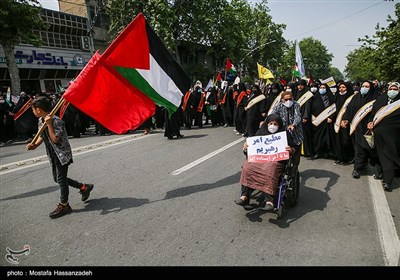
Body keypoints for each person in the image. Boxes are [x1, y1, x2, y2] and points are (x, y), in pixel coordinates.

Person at [26, 97, 94, 219]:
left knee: (61, 180)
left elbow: (55, 139)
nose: (32, 112)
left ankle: (64, 205)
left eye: (33, 110)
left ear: (38, 109)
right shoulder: (41, 120)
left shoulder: (56, 121)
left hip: (61, 155)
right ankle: (84, 187)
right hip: (52, 155)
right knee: (57, 179)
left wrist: (49, 124)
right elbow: (42, 135)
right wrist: (35, 145)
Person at [235, 113, 299, 211]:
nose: (272, 126)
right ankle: (244, 196)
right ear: (267, 124)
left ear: (279, 125)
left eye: (275, 124)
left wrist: (290, 149)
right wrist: (246, 147)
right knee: (247, 166)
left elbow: (295, 148)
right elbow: (251, 149)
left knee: (270, 168)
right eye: (271, 123)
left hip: (276, 161)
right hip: (260, 160)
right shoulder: (261, 132)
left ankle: (269, 201)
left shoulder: (284, 134)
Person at [367, 82, 400, 191]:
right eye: (391, 88)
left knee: (389, 155)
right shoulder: (380, 99)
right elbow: (372, 115)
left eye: (395, 89)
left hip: (393, 136)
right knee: (378, 154)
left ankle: (388, 181)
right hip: (377, 134)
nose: (393, 91)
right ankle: (380, 173)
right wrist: (370, 122)